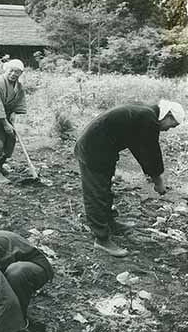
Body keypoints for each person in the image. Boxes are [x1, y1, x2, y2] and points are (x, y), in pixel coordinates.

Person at [74, 99, 185, 257]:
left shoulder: (145, 114)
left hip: (104, 149)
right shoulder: (148, 118)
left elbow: (139, 148)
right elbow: (151, 150)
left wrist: (151, 174)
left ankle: (110, 223)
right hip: (93, 149)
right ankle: (101, 239)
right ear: (168, 115)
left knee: (104, 189)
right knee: (96, 194)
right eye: (172, 125)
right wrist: (158, 181)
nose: (168, 130)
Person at [0, 59, 27, 183]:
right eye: (11, 71)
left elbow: (19, 102)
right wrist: (5, 123)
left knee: (9, 142)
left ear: (20, 74)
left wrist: (13, 114)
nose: (13, 74)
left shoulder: (18, 86)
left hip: (7, 116)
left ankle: (0, 167)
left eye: (17, 72)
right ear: (6, 70)